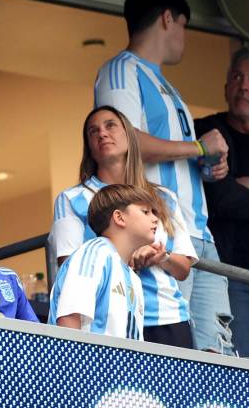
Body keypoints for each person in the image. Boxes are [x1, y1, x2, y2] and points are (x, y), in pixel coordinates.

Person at [94, 0, 233, 354]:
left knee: (216, 351)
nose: (184, 37)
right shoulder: (122, 69)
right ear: (168, 18)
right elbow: (126, 141)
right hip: (161, 230)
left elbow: (175, 154)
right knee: (173, 345)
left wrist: (206, 164)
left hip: (197, 231)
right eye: (184, 25)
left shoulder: (167, 86)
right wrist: (199, 146)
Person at [49, 106, 197, 347]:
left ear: (130, 136)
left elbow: (184, 268)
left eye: (110, 125)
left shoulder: (164, 197)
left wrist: (160, 256)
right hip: (109, 320)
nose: (102, 134)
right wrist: (121, 256)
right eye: (92, 131)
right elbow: (69, 265)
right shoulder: (72, 198)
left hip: (168, 317)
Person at [195, 46, 249, 359]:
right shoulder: (206, 131)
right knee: (242, 368)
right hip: (231, 274)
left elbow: (230, 193)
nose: (244, 86)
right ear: (226, 88)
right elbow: (219, 197)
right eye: (237, 77)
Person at [50, 184, 157, 340]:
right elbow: (69, 318)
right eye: (145, 212)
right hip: (87, 363)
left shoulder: (133, 278)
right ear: (119, 218)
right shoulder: (94, 253)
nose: (155, 218)